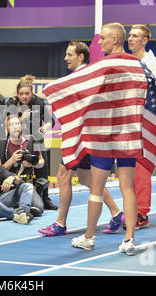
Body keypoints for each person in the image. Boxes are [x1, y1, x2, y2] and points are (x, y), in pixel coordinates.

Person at [38, 41, 123, 236]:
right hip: (85, 137)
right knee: (86, 177)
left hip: (80, 138)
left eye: (69, 55)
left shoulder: (83, 78)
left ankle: (60, 223)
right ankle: (116, 212)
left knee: (63, 176)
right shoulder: (83, 77)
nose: (65, 58)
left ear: (81, 57)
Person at [70, 23, 138, 255]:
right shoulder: (135, 64)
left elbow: (89, 95)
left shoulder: (104, 65)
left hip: (105, 135)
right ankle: (129, 239)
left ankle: (89, 237)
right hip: (128, 133)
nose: (98, 43)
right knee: (127, 186)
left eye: (103, 39)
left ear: (115, 39)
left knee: (96, 188)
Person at [127, 24, 156, 229]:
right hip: (133, 120)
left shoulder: (151, 63)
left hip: (148, 120)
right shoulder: (132, 61)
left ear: (145, 41)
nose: (130, 39)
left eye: (135, 36)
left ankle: (141, 213)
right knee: (130, 169)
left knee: (141, 167)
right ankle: (132, 209)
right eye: (129, 35)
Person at [5, 74, 57, 210]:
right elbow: (6, 123)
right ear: (17, 94)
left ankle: (45, 197)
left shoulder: (38, 102)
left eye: (27, 93)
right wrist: (21, 119)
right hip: (17, 141)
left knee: (42, 168)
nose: (24, 97)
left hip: (36, 140)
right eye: (21, 94)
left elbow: (51, 120)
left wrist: (45, 127)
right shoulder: (11, 103)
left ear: (32, 93)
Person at [0, 142, 43, 224]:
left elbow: (20, 180)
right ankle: (15, 214)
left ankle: (23, 213)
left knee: (26, 186)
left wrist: (12, 178)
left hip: (0, 199)